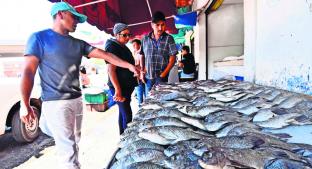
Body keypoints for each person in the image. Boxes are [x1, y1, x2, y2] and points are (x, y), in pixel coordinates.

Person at [20, 2, 138, 169]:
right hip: (56, 103)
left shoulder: (78, 43)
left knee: (74, 144)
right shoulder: (39, 38)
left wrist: (130, 65)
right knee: (67, 152)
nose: (77, 22)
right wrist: (24, 104)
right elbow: (28, 72)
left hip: (76, 101)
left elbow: (105, 54)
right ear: (60, 14)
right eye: (74, 17)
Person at [104, 23, 138, 134]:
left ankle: (122, 136)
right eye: (125, 35)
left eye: (129, 35)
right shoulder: (112, 46)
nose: (128, 37)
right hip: (120, 87)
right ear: (116, 34)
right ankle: (127, 140)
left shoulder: (123, 46)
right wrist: (117, 90)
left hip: (126, 87)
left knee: (122, 113)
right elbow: (111, 70)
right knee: (127, 114)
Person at [140, 11, 178, 95]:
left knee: (161, 100)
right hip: (148, 77)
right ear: (152, 25)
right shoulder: (145, 39)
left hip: (162, 77)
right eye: (157, 25)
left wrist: (164, 74)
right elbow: (142, 55)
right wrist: (142, 71)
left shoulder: (169, 38)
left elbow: (172, 59)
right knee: (150, 100)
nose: (160, 28)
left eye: (162, 25)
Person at [131, 39, 146, 106]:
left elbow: (142, 67)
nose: (133, 46)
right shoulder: (134, 53)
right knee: (140, 97)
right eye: (133, 45)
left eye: (135, 45)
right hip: (137, 78)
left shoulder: (141, 54)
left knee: (144, 96)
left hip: (142, 78)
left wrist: (142, 76)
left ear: (139, 45)